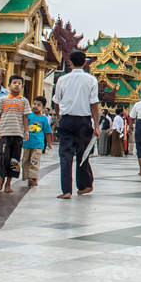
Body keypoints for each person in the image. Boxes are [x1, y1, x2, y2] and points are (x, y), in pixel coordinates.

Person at [53, 51, 100, 199]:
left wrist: (58, 117)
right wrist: (96, 125)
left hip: (66, 120)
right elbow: (94, 104)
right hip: (83, 121)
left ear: (70, 63)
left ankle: (66, 190)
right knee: (83, 154)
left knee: (65, 156)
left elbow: (56, 101)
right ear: (85, 63)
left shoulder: (62, 79)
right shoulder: (91, 80)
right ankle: (84, 185)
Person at [0, 75, 31, 194]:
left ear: (22, 86)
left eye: (19, 83)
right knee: (4, 157)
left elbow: (25, 117)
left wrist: (26, 131)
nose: (16, 85)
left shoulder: (24, 101)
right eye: (14, 83)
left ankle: (9, 183)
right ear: (9, 85)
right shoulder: (3, 99)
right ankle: (2, 180)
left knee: (14, 160)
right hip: (4, 132)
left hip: (18, 134)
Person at [22, 96, 52, 187]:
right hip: (27, 143)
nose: (35, 106)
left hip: (38, 144)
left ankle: (33, 178)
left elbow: (47, 132)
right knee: (25, 161)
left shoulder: (44, 119)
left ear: (43, 107)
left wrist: (49, 143)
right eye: (34, 104)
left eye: (38, 105)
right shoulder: (28, 116)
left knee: (35, 160)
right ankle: (27, 176)